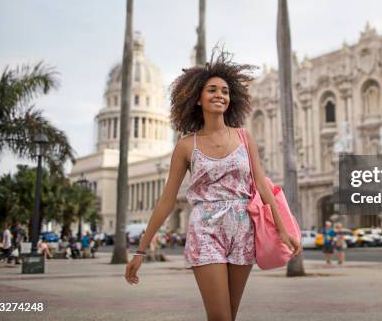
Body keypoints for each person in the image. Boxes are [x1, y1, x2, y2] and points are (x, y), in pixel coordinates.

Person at [125, 50, 301, 321]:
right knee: (219, 316)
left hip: (243, 231)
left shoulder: (244, 137)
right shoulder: (186, 146)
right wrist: (141, 249)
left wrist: (283, 231)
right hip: (205, 231)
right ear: (197, 98)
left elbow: (264, 188)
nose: (220, 95)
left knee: (229, 316)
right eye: (212, 90)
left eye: (225, 91)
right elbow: (167, 200)